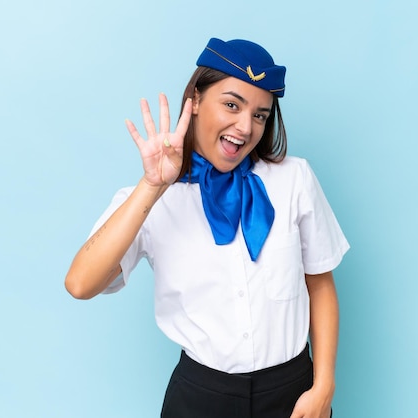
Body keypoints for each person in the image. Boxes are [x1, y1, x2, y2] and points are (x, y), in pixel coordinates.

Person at [65, 37, 349, 418]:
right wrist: (152, 186)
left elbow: (320, 283)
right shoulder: (151, 199)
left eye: (261, 115)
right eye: (232, 105)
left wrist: (324, 386)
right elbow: (81, 284)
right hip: (200, 399)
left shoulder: (294, 179)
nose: (245, 127)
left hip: (293, 394)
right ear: (195, 101)